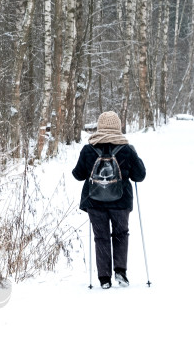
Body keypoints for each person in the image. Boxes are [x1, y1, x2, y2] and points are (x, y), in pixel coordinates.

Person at [72, 111, 146, 289]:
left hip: (94, 202)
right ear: (117, 126)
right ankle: (120, 271)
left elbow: (78, 175)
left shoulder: (88, 149)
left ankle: (104, 279)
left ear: (99, 126)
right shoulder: (127, 149)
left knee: (101, 237)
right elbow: (140, 176)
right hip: (121, 202)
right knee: (121, 235)